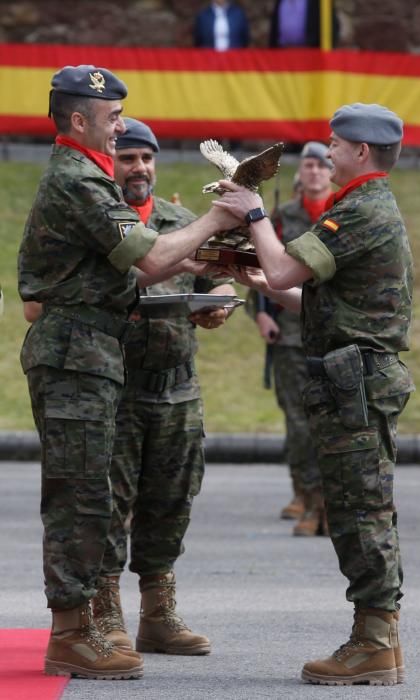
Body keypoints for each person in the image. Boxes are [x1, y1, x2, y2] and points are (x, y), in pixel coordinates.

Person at [17, 64, 238, 681]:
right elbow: (151, 256)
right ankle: (73, 633)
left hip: (92, 354)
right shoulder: (78, 179)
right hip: (75, 353)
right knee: (80, 498)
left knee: (91, 495)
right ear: (80, 118)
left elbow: (143, 268)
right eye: (113, 119)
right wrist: (220, 219)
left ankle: (85, 626)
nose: (118, 130)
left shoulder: (84, 176)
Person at [211, 103, 414, 686]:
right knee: (358, 507)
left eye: (336, 144)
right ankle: (379, 641)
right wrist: (263, 280)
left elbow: (282, 272)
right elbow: (316, 300)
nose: (327, 151)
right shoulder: (365, 206)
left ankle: (374, 641)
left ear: (361, 153)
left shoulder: (360, 208)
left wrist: (252, 212)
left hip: (356, 382)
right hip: (357, 374)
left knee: (359, 511)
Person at [92, 118, 235, 655]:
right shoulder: (102, 220)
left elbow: (215, 273)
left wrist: (218, 300)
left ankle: (159, 614)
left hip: (177, 389)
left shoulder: (180, 220)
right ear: (111, 163)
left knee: (171, 501)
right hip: (117, 389)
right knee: (110, 503)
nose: (140, 168)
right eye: (129, 158)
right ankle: (106, 615)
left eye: (147, 158)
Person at [248, 142, 332, 536]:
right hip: (290, 334)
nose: (315, 172)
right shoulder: (283, 217)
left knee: (330, 422)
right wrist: (262, 313)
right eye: (309, 165)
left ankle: (329, 502)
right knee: (298, 423)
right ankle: (307, 493)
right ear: (302, 174)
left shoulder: (342, 214)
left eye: (322, 165)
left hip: (331, 333)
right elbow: (262, 265)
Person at [269, 0, 339, 48]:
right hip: (282, 52)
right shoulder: (280, 2)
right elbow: (274, 29)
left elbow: (332, 27)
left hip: (308, 54)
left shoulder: (319, 2)